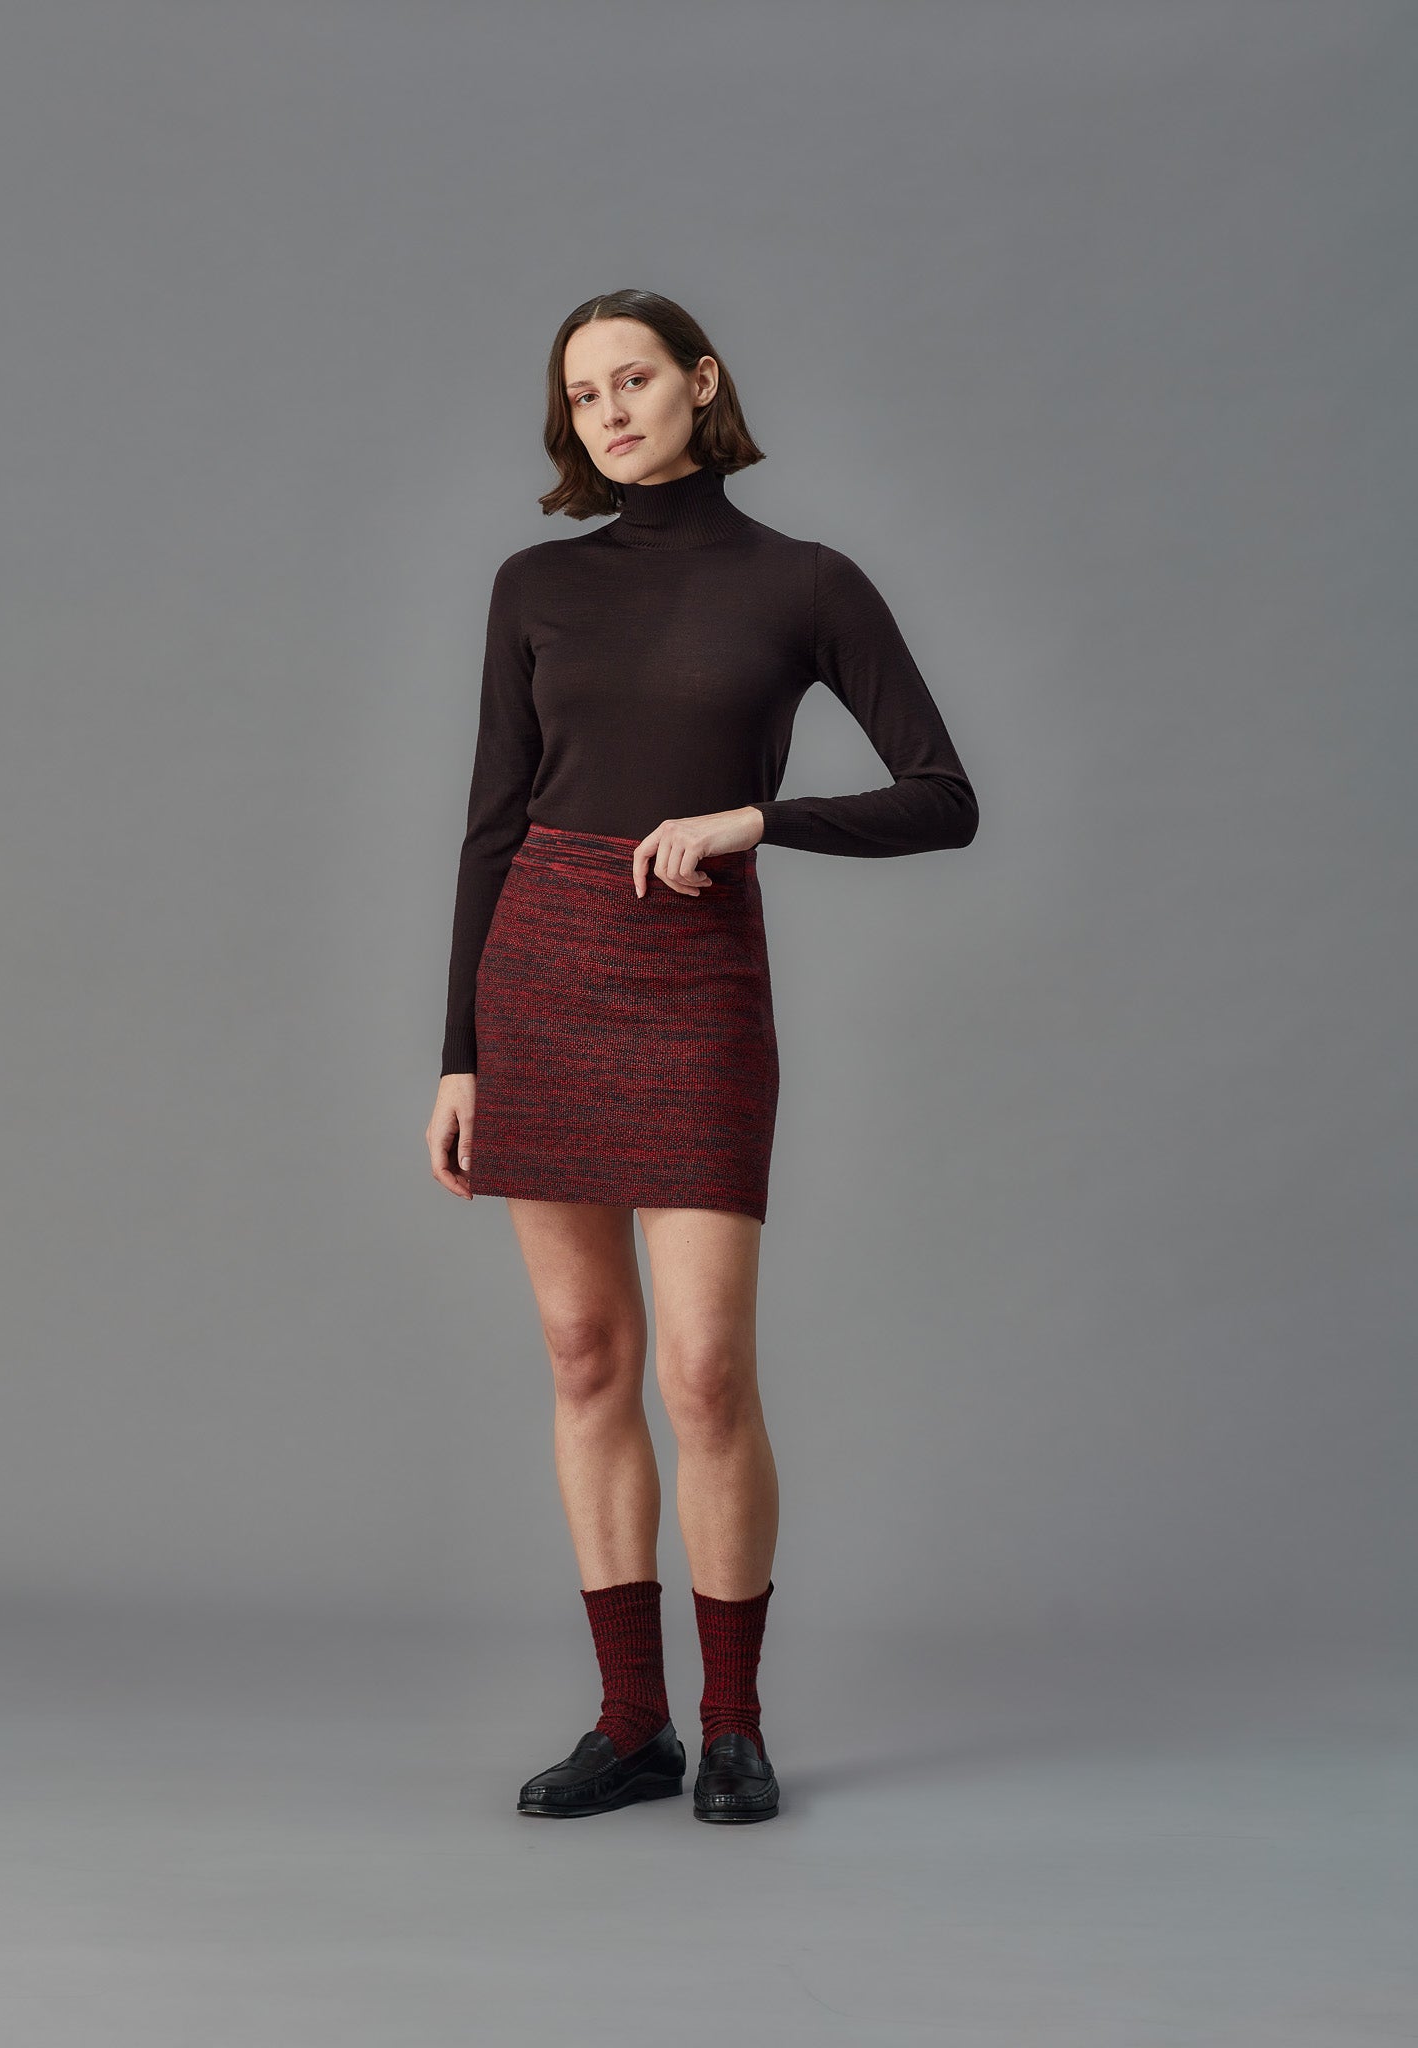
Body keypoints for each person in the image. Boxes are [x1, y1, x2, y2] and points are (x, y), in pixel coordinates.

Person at [425, 288, 979, 1824]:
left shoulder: (804, 582)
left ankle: (732, 1725)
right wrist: (458, 1054)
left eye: (633, 379)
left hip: (694, 979)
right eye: (581, 395)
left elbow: (943, 796)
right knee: (584, 1358)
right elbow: (488, 822)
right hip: (539, 972)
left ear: (701, 382)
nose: (607, 412)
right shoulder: (534, 583)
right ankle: (632, 1725)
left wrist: (757, 820)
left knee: (704, 1371)